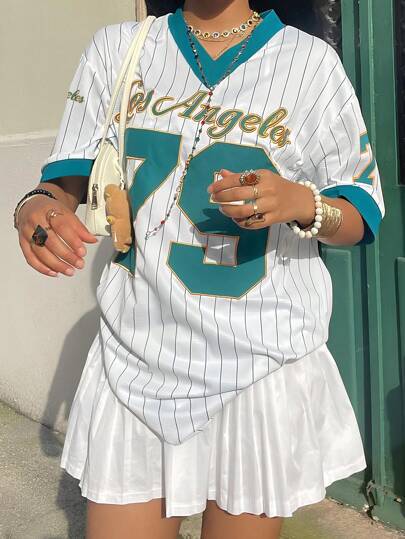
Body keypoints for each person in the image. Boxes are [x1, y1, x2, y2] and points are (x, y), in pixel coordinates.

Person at [14, 1, 385, 538]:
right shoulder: (116, 49)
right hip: (136, 356)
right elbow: (66, 180)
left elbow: (360, 214)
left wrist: (303, 202)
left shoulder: (310, 63)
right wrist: (36, 205)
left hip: (258, 366)